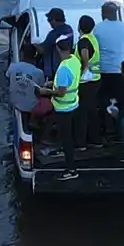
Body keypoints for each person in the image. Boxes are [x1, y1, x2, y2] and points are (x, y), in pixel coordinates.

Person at [37, 34, 84, 179]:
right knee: (68, 134)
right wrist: (52, 83)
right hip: (73, 103)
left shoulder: (63, 68)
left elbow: (61, 92)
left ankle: (71, 170)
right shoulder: (74, 60)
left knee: (66, 138)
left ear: (58, 49)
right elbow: (68, 82)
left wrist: (46, 91)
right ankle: (66, 152)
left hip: (63, 108)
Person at [93, 1, 124, 131]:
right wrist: (121, 51)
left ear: (104, 13)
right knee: (119, 100)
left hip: (102, 71)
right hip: (120, 71)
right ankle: (118, 128)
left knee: (102, 100)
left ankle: (104, 126)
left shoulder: (98, 28)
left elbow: (93, 47)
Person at [6, 42, 50, 132]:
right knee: (48, 102)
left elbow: (8, 77)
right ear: (35, 56)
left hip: (14, 101)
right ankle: (34, 120)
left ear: (22, 54)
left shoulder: (12, 66)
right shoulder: (39, 72)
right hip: (30, 106)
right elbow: (40, 89)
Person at [76, 15, 103, 148]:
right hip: (96, 78)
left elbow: (85, 55)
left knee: (82, 112)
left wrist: (83, 70)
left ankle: (81, 143)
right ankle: (96, 139)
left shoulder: (84, 41)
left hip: (86, 81)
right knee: (92, 110)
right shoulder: (93, 38)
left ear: (79, 26)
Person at [41, 7, 73, 79]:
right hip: (67, 66)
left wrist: (33, 43)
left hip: (55, 72)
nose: (49, 22)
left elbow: (42, 50)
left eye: (49, 20)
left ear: (54, 20)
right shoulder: (69, 29)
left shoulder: (54, 34)